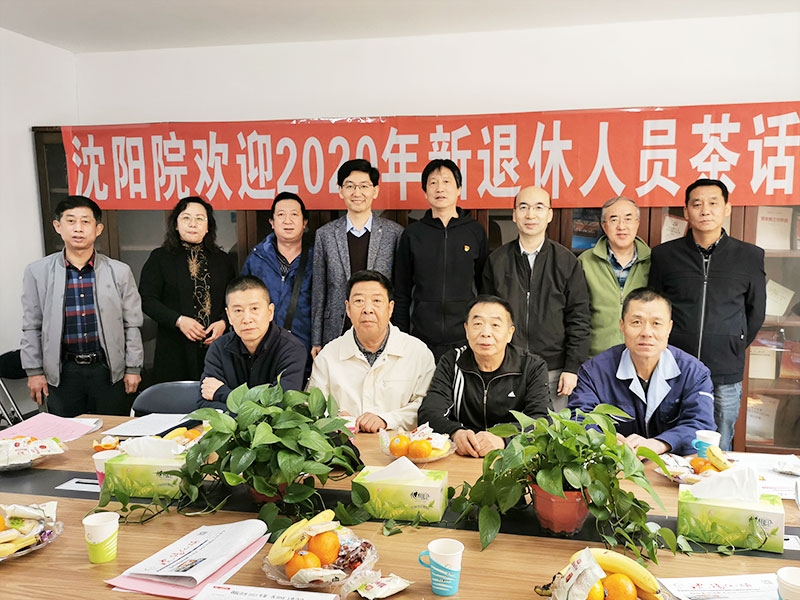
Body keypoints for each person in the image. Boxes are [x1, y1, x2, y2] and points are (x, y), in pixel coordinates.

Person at [649, 178, 766, 450]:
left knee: (718, 446)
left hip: (725, 369)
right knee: (670, 443)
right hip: (675, 367)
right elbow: (655, 308)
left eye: (713, 203)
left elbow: (756, 311)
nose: (705, 210)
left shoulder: (749, 256)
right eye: (697, 204)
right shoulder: (665, 256)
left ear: (727, 208)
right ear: (686, 211)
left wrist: (733, 342)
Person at [21, 195, 143, 417]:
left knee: (112, 431)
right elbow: (32, 325)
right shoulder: (37, 272)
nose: (78, 228)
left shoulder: (119, 271)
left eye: (85, 221)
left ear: (98, 229)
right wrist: (34, 372)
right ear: (58, 226)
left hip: (108, 371)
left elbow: (131, 324)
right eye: (71, 221)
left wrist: (133, 368)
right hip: (62, 372)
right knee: (66, 434)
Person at [569, 288, 716, 456]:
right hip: (614, 463)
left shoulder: (694, 373)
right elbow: (578, 418)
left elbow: (702, 425)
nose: (646, 333)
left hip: (674, 467)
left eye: (656, 323)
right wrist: (606, 439)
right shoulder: (594, 372)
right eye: (636, 322)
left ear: (669, 328)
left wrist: (660, 443)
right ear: (622, 326)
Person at [482, 186, 590, 410]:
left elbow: (579, 318)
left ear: (549, 214)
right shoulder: (497, 261)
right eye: (523, 207)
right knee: (506, 430)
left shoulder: (566, 261)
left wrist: (572, 367)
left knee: (551, 430)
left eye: (539, 207)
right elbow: (487, 317)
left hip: (554, 371)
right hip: (506, 368)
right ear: (514, 214)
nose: (530, 214)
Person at [418, 295, 551, 457]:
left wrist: (503, 440)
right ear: (466, 330)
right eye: (478, 324)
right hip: (462, 455)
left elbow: (542, 420)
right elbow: (428, 414)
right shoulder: (452, 362)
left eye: (495, 325)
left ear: (510, 333)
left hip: (512, 457)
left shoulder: (532, 366)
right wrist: (455, 432)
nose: (486, 333)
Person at [307, 270, 435, 432]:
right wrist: (333, 416)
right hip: (343, 444)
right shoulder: (328, 356)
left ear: (390, 308)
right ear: (348, 308)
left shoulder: (418, 353)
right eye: (359, 301)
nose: (367, 309)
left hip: (400, 445)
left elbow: (426, 406)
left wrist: (386, 420)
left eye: (376, 301)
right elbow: (312, 405)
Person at [393, 159, 489, 362]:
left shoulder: (475, 232)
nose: (440, 188)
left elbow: (484, 287)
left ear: (459, 189)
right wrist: (400, 336)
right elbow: (401, 291)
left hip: (465, 338)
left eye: (446, 182)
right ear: (425, 191)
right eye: (433, 183)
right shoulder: (413, 234)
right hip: (421, 338)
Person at [311, 159, 403, 357]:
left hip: (379, 328)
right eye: (350, 186)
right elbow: (319, 291)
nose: (357, 192)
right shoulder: (325, 235)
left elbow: (399, 288)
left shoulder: (394, 233)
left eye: (364, 186)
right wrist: (316, 339)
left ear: (375, 191)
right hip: (336, 328)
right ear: (340, 190)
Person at [139, 196, 236, 383]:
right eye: (186, 218)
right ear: (176, 224)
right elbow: (147, 300)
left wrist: (224, 323)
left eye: (200, 218)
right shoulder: (160, 258)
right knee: (176, 399)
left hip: (216, 346)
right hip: (175, 347)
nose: (193, 224)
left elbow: (233, 299)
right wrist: (179, 320)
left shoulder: (222, 260)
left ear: (208, 227)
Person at [199, 275, 307, 410]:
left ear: (270, 312)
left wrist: (223, 394)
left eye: (254, 309)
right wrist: (256, 407)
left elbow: (279, 409)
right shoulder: (219, 348)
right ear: (229, 316)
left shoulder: (292, 350)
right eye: (238, 310)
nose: (246, 319)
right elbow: (205, 406)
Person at [578, 196, 651, 357]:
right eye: (614, 220)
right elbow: (577, 314)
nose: (621, 226)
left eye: (628, 219)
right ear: (604, 226)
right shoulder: (585, 262)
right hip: (596, 357)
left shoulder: (653, 261)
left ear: (637, 223)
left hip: (642, 357)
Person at [242, 191, 313, 352]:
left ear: (304, 222)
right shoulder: (257, 258)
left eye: (294, 214)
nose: (287, 220)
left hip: (305, 347)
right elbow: (243, 299)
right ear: (272, 222)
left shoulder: (317, 259)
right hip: (263, 345)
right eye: (281, 215)